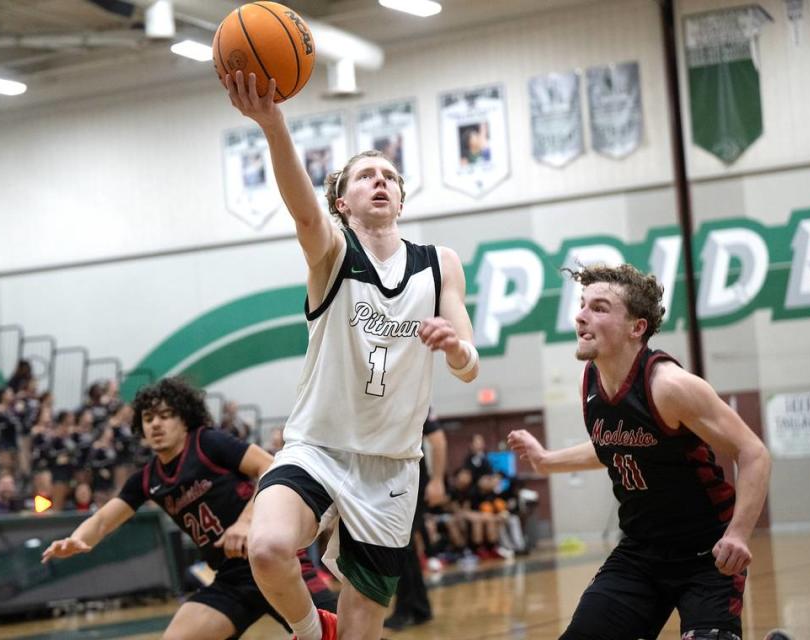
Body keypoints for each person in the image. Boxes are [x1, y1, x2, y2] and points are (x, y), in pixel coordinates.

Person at [223, 70, 480, 640]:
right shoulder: (331, 252)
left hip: (390, 464)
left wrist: (455, 347)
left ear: (402, 198)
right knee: (267, 548)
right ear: (344, 200)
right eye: (366, 176)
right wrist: (273, 125)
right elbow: (304, 212)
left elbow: (469, 364)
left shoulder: (441, 263)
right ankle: (312, 631)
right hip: (317, 446)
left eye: (389, 176)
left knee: (366, 624)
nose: (380, 182)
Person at [507, 264, 772, 640]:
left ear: (637, 327)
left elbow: (752, 452)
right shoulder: (591, 381)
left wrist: (740, 534)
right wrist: (548, 461)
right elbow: (613, 446)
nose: (581, 315)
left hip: (706, 555)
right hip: (640, 553)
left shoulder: (670, 386)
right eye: (582, 305)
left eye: (599, 308)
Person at [41, 378, 337, 640]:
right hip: (231, 578)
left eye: (166, 415)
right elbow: (105, 519)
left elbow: (270, 468)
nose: (156, 424)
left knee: (342, 634)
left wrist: (247, 521)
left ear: (184, 420)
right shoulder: (148, 478)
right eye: (148, 417)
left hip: (271, 562)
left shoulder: (208, 442)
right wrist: (79, 539)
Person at [384, 410, 447, 630]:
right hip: (391, 480)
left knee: (402, 545)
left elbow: (438, 441)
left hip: (410, 481)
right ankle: (420, 608)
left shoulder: (416, 396)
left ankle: (406, 610)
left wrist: (438, 481)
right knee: (405, 546)